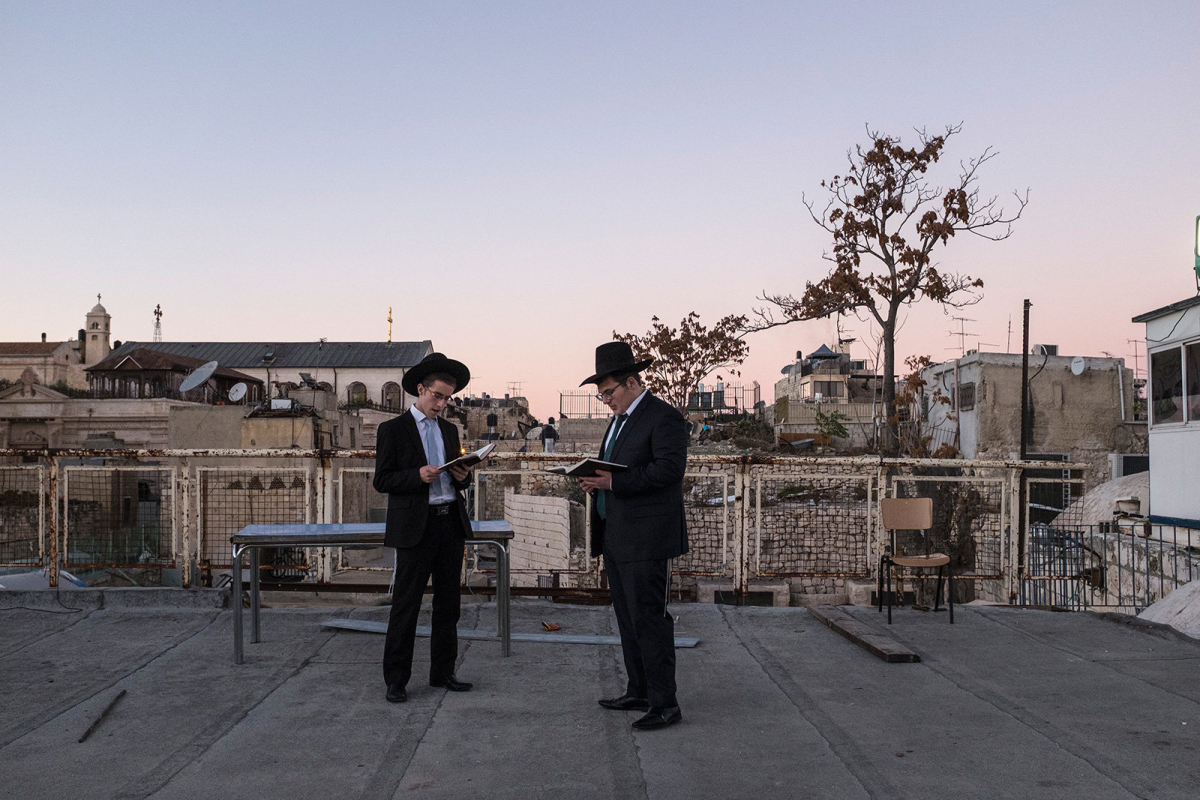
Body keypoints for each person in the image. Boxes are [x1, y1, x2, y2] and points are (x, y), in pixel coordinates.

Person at [576, 342, 689, 730]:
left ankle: (665, 702)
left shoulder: (664, 418)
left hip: (647, 538)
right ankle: (639, 689)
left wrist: (614, 482)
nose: (605, 400)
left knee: (649, 620)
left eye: (609, 392)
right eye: (601, 395)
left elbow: (670, 471)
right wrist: (596, 481)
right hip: (618, 535)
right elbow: (617, 469)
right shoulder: (621, 419)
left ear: (631, 381)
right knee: (627, 619)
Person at [373, 352, 475, 703]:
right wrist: (417, 475)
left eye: (448, 398)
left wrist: (464, 475)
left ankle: (443, 672)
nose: (442, 403)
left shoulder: (449, 429)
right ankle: (396, 680)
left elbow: (458, 478)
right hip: (416, 527)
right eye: (438, 396)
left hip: (450, 525)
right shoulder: (392, 429)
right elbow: (382, 479)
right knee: (407, 604)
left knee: (449, 605)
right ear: (420, 389)